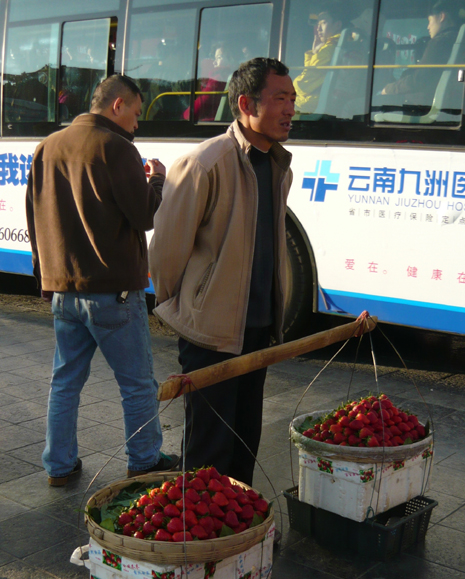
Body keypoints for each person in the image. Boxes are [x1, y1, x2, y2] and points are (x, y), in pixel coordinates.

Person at [26, 74, 180, 486]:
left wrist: (45, 275)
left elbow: (34, 218)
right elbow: (143, 215)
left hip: (64, 291)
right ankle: (144, 460)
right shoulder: (117, 148)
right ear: (117, 105)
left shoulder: (47, 146)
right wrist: (158, 179)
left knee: (65, 382)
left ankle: (59, 466)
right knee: (136, 384)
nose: (136, 121)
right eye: (135, 110)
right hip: (114, 293)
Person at [149, 57, 294, 487]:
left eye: (293, 99)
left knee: (245, 440)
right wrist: (186, 308)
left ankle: (238, 534)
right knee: (209, 448)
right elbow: (166, 251)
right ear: (246, 103)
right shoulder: (205, 163)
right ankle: (199, 538)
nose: (290, 110)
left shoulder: (278, 164)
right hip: (210, 334)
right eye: (279, 98)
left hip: (257, 329)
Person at [381, 1, 462, 107]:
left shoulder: (439, 42)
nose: (428, 27)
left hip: (417, 105)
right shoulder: (456, 38)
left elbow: (419, 79)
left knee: (355, 105)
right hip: (431, 103)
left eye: (429, 21)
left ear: (442, 17)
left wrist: (388, 89)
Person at [294, 3, 352, 114]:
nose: (318, 28)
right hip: (322, 102)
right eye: (317, 23)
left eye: (324, 23)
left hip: (311, 105)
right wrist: (314, 52)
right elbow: (311, 73)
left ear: (337, 25)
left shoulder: (329, 48)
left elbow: (302, 85)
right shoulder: (342, 44)